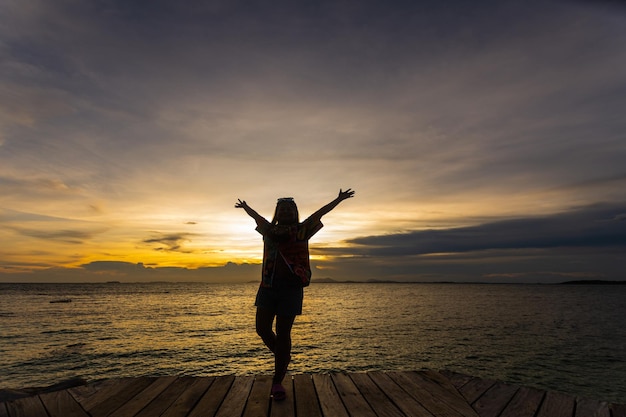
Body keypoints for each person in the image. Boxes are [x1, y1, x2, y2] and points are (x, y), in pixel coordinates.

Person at [235, 188, 355, 401]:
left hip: (291, 288)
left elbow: (320, 213)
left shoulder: (302, 230)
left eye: (290, 209)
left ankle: (277, 381)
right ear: (277, 213)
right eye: (282, 209)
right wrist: (246, 208)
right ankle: (284, 356)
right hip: (268, 285)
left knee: (283, 334)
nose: (287, 212)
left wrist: (338, 199)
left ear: (296, 212)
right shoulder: (269, 231)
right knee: (262, 329)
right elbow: (258, 218)